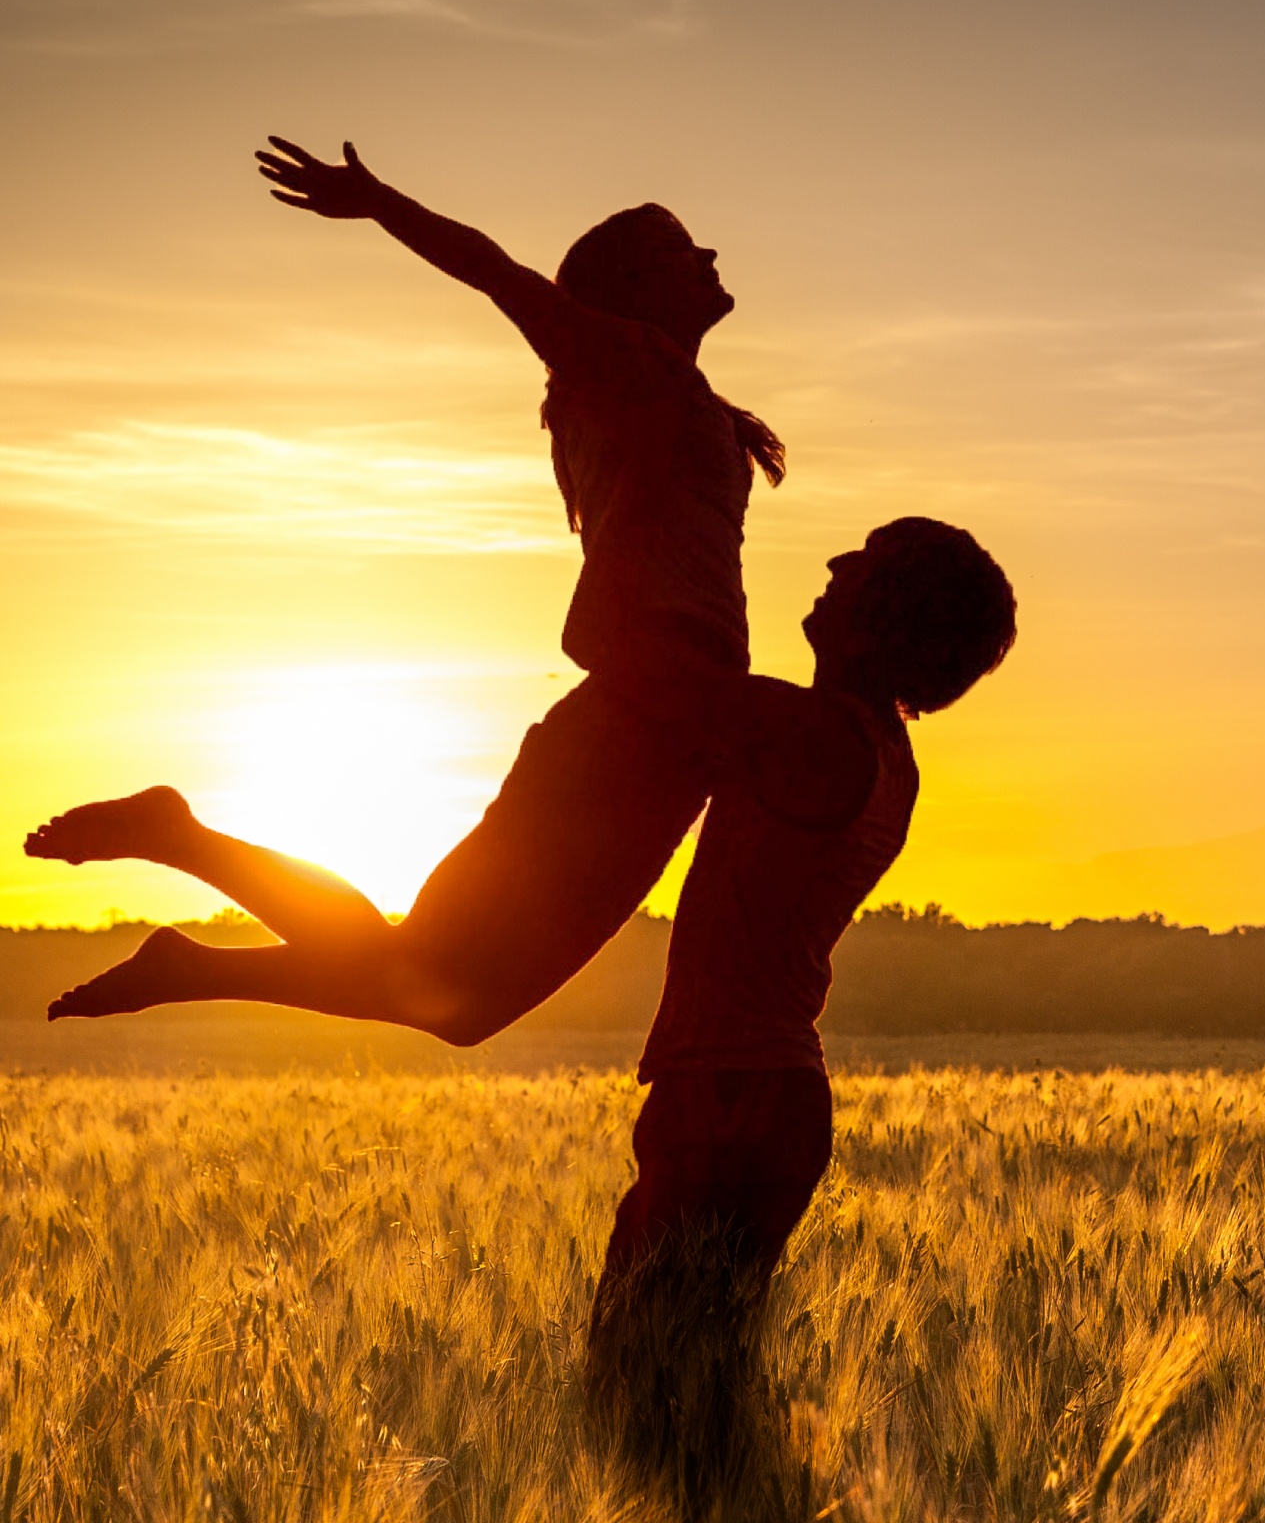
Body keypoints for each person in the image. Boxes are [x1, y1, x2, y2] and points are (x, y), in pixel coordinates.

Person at [27, 137, 783, 1038]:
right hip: (639, 719)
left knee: (460, 1002)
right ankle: (178, 847)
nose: (707, 257)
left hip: (676, 725)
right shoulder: (621, 367)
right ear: (632, 288)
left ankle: (185, 940)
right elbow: (497, 273)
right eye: (679, 249)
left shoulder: (666, 393)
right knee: (438, 979)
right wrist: (380, 203)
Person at [586, 517, 1016, 1490]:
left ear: (885, 614)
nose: (832, 563)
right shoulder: (870, 749)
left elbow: (649, 680)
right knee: (684, 1383)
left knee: (643, 1389)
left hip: (733, 1094)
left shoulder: (820, 738)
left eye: (862, 561)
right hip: (756, 1088)